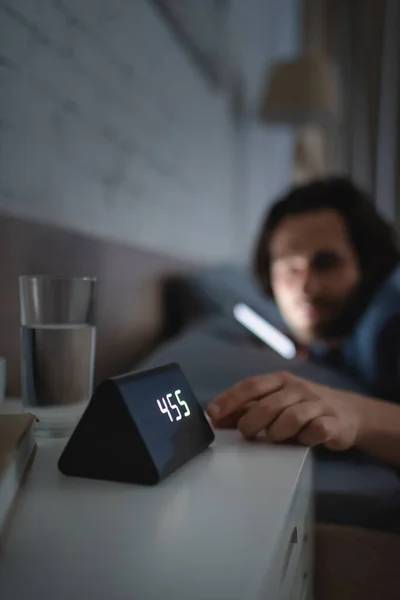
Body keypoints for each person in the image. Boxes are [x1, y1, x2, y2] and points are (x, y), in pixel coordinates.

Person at [207, 178, 400, 467]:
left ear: (366, 262)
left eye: (326, 263)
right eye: (289, 268)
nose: (307, 288)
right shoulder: (348, 329)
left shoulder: (389, 325)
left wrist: (358, 415)